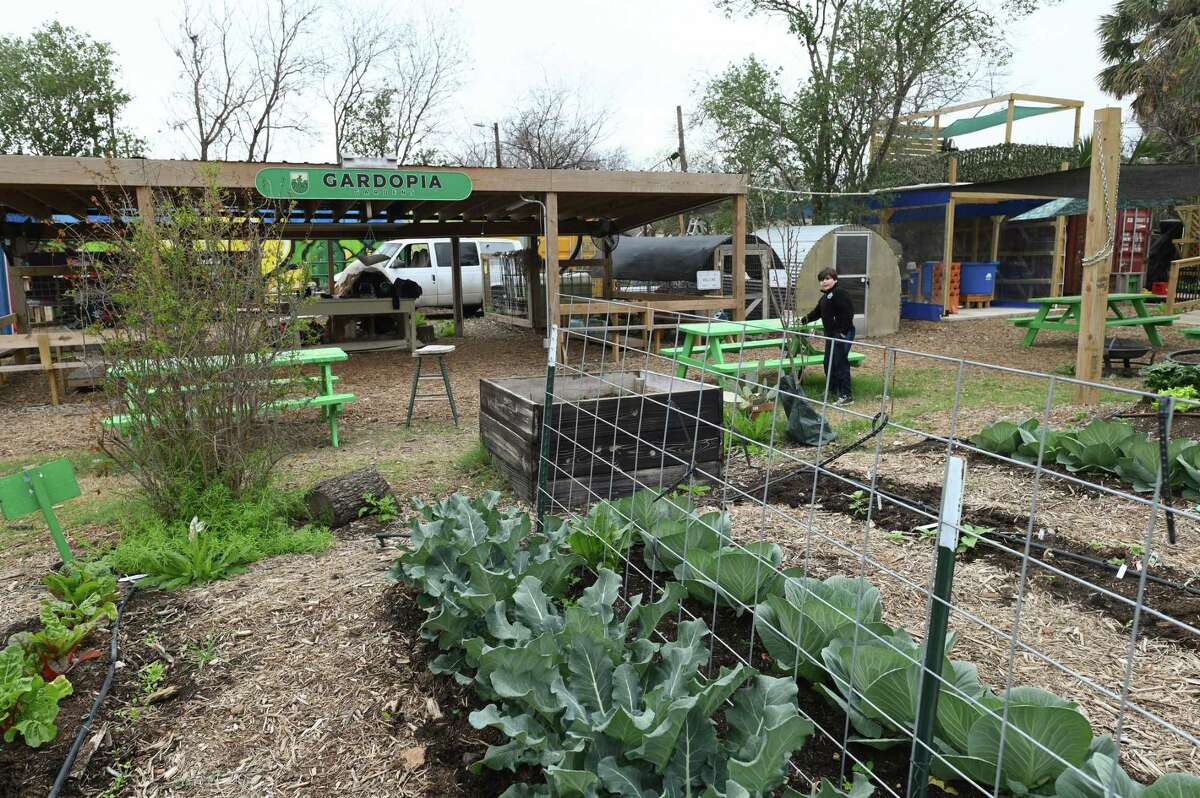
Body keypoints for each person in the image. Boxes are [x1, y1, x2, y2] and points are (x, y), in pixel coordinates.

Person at [801, 267, 856, 405]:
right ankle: (832, 391)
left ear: (835, 279)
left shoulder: (840, 293)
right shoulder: (825, 297)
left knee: (840, 363)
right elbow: (817, 312)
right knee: (828, 363)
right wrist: (803, 320)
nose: (824, 282)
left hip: (843, 334)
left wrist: (842, 332)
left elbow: (849, 313)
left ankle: (846, 395)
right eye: (822, 280)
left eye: (827, 278)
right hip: (831, 335)